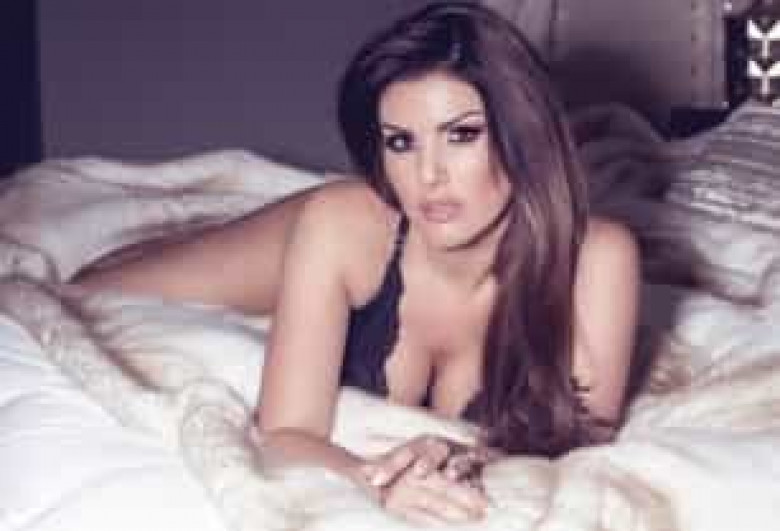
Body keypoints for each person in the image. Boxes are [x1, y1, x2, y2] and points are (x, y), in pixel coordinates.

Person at [75, 1, 640, 525]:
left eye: (461, 135)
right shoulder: (340, 224)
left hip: (368, 241)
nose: (428, 176)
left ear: (523, 137)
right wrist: (376, 481)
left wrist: (460, 457)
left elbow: (578, 443)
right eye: (401, 143)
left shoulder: (600, 260)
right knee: (98, 285)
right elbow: (285, 433)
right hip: (358, 239)